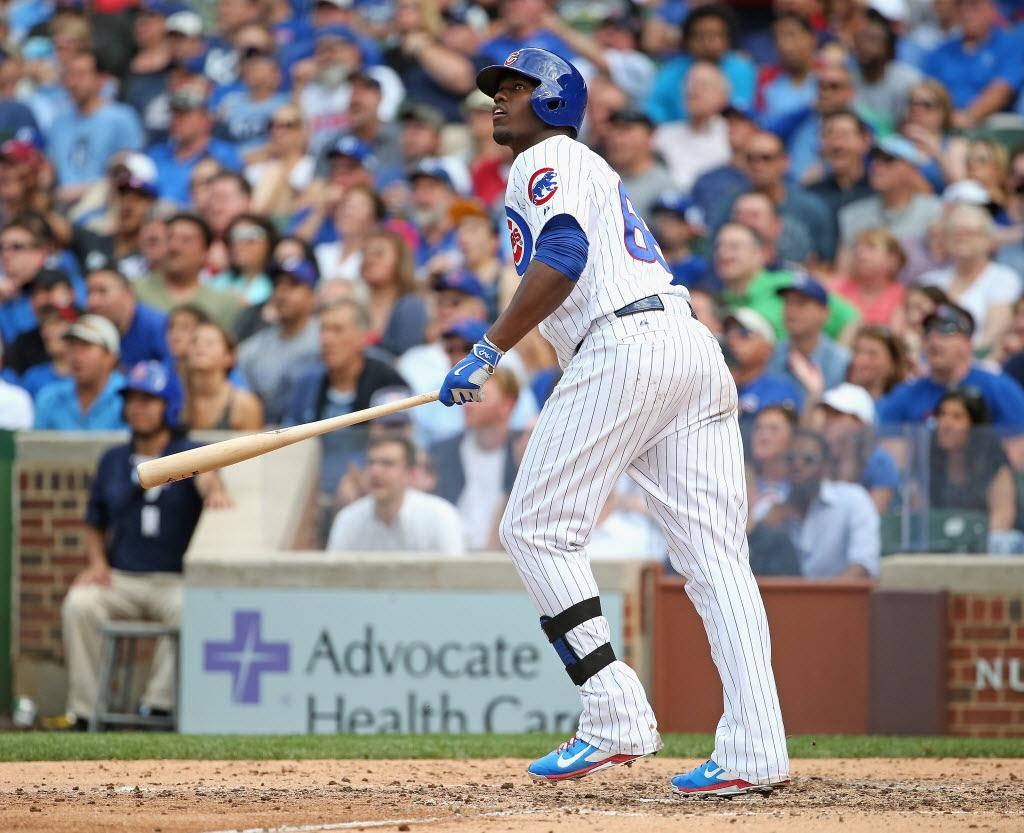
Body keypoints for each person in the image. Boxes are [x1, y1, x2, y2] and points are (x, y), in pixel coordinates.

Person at [442, 48, 788, 793]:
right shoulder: (577, 162)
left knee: (534, 527)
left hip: (625, 345)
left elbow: (562, 253)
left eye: (516, 89)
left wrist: (488, 347)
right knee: (716, 558)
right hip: (685, 344)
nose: (499, 101)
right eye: (496, 91)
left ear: (556, 100)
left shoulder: (552, 156)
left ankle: (613, 712)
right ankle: (757, 746)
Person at [60, 360, 231, 730]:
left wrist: (214, 489)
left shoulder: (189, 450)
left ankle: (156, 707)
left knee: (191, 608)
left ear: (168, 404)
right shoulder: (113, 459)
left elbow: (208, 480)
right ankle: (87, 711)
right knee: (80, 604)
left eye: (149, 399)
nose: (139, 407)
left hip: (174, 580)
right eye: (133, 399)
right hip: (122, 577)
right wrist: (97, 563)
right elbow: (94, 520)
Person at [285, 298, 409, 514]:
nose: (326, 339)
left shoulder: (387, 380)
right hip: (311, 492)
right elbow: (288, 440)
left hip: (369, 490)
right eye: (323, 330)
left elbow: (397, 444)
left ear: (362, 337)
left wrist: (363, 474)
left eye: (337, 330)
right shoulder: (307, 382)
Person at [878, 302, 1024, 436]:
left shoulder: (1000, 389)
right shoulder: (906, 394)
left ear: (967, 343)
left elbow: (1018, 447)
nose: (934, 340)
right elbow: (890, 448)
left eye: (946, 331)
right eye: (928, 332)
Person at [757, 428, 881, 578]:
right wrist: (764, 529)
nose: (797, 466)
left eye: (808, 460)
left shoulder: (853, 500)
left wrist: (822, 600)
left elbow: (863, 564)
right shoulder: (769, 509)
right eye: (790, 459)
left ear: (825, 466)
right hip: (780, 599)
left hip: (839, 599)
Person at [327, 432, 464, 554]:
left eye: (387, 464)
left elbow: (454, 576)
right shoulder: (347, 520)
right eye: (371, 463)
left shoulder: (440, 516)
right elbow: (332, 577)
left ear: (410, 474)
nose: (375, 472)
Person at [431, 368, 521, 551]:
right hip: (452, 556)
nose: (468, 405)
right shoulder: (441, 452)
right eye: (468, 397)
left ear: (507, 406)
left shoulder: (524, 451)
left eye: (478, 397)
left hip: (505, 559)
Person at [929, 388, 1023, 554]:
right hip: (939, 545)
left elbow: (1002, 518)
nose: (945, 424)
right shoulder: (926, 459)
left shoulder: (993, 459)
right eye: (941, 414)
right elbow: (920, 514)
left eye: (957, 417)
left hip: (984, 549)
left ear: (974, 425)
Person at [919, 204, 1021, 353]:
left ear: (988, 239)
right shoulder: (928, 282)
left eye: (969, 232)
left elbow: (994, 333)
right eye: (955, 232)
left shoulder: (1004, 278)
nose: (961, 237)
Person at [47, 50, 144, 204]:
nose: (72, 83)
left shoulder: (122, 117)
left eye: (80, 75)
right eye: (69, 75)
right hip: (60, 203)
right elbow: (51, 170)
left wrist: (86, 190)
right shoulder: (58, 123)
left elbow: (130, 170)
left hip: (104, 204)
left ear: (101, 79)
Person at [236, 256, 321, 425]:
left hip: (321, 434)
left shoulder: (328, 338)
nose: (282, 294)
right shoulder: (252, 349)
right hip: (269, 438)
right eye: (277, 286)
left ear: (312, 296)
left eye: (293, 285)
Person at [921, 0, 1021, 130]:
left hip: (988, 129)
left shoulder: (1010, 46)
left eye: (974, 6)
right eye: (960, 6)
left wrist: (968, 116)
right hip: (943, 125)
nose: (966, 13)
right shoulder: (941, 52)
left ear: (992, 10)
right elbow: (929, 91)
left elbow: (1002, 90)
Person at [133, 213, 242, 331]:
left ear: (205, 252)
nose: (174, 247)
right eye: (169, 238)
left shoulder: (224, 304)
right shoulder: (136, 292)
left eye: (186, 240)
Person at [837, 136, 942, 258]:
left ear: (911, 169)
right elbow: (843, 271)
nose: (876, 166)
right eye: (874, 159)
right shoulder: (853, 214)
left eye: (888, 159)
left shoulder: (935, 212)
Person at [810, 382, 901, 513]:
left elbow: (872, 517)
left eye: (836, 415)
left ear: (859, 422)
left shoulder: (880, 462)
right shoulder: (817, 458)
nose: (827, 421)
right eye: (827, 414)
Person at [34, 314, 125, 430]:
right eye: (72, 346)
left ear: (110, 357)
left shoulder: (129, 399)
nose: (76, 356)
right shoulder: (49, 398)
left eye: (86, 346)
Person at [651, 61, 731, 192]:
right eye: (689, 83)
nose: (693, 90)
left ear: (723, 96)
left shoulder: (732, 134)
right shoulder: (663, 134)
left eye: (703, 85)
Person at [724, 307, 804, 436]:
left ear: (768, 349)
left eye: (744, 333)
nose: (732, 339)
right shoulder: (715, 385)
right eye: (728, 332)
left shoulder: (780, 390)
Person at [768, 275, 851, 396]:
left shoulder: (841, 362)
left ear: (824, 313)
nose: (791, 310)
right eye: (788, 302)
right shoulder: (771, 354)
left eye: (801, 304)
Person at [180, 319, 263, 431]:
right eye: (194, 341)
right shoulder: (174, 398)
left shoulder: (245, 405)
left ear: (229, 356)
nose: (199, 346)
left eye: (209, 343)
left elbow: (257, 447)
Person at [85, 266, 170, 371]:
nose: (93, 301)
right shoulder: (88, 330)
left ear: (128, 293)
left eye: (103, 291)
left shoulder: (157, 326)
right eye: (88, 293)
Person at [359, 229, 427, 358]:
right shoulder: (354, 302)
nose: (368, 260)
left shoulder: (410, 306)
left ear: (399, 261)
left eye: (378, 254)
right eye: (365, 254)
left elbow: (407, 358)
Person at [833, 228, 908, 326]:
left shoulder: (903, 298)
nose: (860, 254)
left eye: (871, 248)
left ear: (893, 260)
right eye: (857, 248)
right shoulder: (836, 288)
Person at [603, 109, 670, 218]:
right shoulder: (598, 177)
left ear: (649, 138)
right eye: (613, 131)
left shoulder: (664, 186)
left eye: (626, 131)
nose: (616, 140)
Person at [846, 324, 911, 400]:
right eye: (857, 351)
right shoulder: (837, 401)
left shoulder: (900, 405)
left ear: (893, 363)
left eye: (872, 354)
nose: (859, 360)